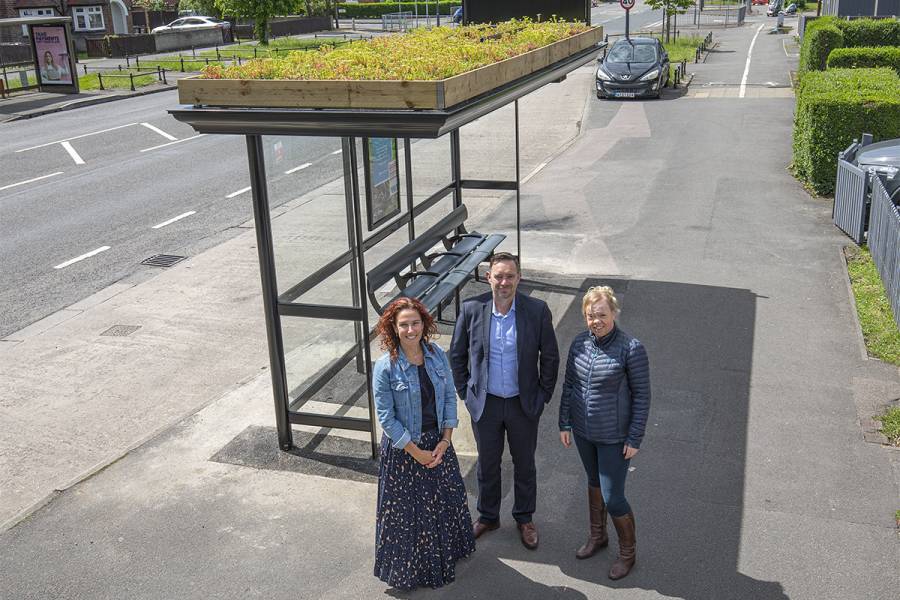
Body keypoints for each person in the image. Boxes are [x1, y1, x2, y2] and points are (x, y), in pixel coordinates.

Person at [450, 252, 559, 550]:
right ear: (488, 277)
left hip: (523, 404)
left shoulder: (536, 311)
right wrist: (466, 392)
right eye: (498, 276)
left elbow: (550, 357)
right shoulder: (473, 308)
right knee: (487, 464)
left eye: (510, 276)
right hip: (486, 405)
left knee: (524, 464)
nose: (504, 282)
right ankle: (488, 516)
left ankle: (524, 518)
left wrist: (542, 396)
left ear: (519, 278)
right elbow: (457, 355)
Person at [372, 297, 475, 590]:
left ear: (424, 324)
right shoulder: (385, 367)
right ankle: (411, 573)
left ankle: (442, 559)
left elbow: (447, 399)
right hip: (406, 449)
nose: (410, 329)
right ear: (393, 327)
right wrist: (416, 452)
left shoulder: (436, 355)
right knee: (409, 517)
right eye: (403, 324)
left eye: (415, 323)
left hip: (438, 444)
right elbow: (387, 418)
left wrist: (445, 440)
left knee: (441, 506)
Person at [558, 286, 650, 580]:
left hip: (614, 437)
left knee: (613, 497)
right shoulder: (579, 344)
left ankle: (628, 553)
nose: (596, 321)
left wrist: (634, 438)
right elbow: (570, 383)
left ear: (614, 313)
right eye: (590, 315)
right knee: (594, 483)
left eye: (601, 315)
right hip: (585, 433)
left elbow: (642, 396)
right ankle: (598, 536)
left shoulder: (631, 348)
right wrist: (565, 422)